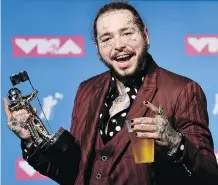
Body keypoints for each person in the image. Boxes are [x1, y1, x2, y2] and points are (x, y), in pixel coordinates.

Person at [4, 1, 218, 185]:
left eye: (127, 33)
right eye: (107, 39)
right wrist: (31, 137)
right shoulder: (87, 90)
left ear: (145, 36)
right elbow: (75, 173)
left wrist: (174, 141)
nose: (118, 46)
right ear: (97, 47)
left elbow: (209, 175)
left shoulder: (181, 90)